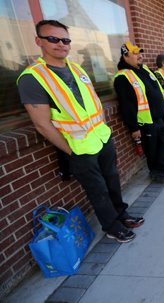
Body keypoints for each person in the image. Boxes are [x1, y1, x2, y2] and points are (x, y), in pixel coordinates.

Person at [17, 20, 142, 243]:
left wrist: (105, 132)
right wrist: (71, 151)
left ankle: (121, 215)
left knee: (112, 181)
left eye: (65, 40)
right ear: (39, 41)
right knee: (98, 189)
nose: (61, 44)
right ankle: (112, 226)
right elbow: (42, 124)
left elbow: (92, 101)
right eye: (53, 39)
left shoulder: (76, 68)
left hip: (102, 138)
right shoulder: (32, 78)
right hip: (78, 147)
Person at [114, 41, 164, 184]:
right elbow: (126, 105)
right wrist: (134, 128)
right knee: (152, 150)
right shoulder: (123, 77)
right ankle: (156, 173)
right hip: (145, 122)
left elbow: (157, 90)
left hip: (159, 117)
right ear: (125, 56)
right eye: (135, 53)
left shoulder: (145, 69)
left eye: (140, 53)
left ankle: (162, 170)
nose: (139, 56)